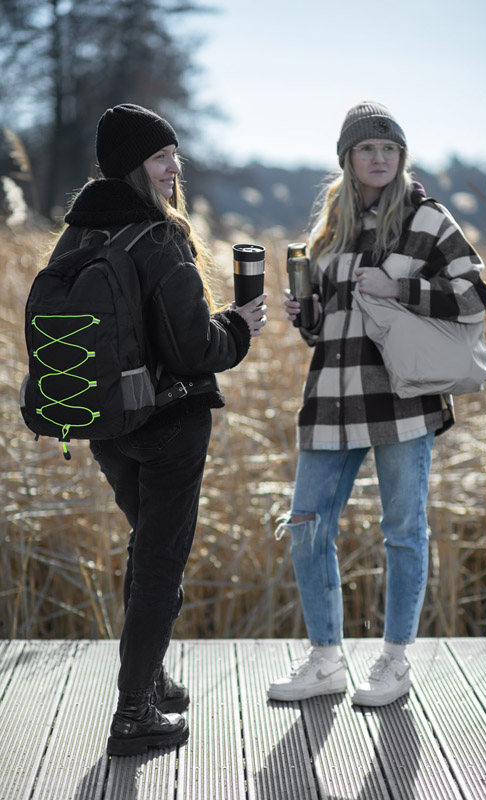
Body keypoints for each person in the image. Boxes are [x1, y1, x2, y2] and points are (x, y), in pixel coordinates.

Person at [51, 103, 267, 755]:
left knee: (146, 549)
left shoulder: (76, 234)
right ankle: (133, 713)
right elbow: (194, 349)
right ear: (130, 166)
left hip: (106, 421)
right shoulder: (158, 234)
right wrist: (238, 327)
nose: (174, 168)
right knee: (159, 563)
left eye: (174, 154)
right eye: (158, 157)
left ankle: (148, 678)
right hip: (170, 420)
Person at [268, 101, 486, 707]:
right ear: (348, 158)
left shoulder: (427, 219)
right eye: (367, 148)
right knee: (306, 527)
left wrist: (401, 287)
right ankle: (325, 660)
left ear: (401, 157)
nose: (380, 158)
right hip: (331, 398)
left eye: (390, 148)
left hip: (401, 401)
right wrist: (306, 316)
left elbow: (475, 295)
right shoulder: (331, 229)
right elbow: (323, 332)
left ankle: (394, 661)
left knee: (403, 531)